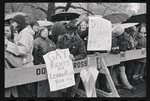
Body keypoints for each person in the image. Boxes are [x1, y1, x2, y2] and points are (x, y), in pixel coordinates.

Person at [5, 15, 39, 97]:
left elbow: (23, 50)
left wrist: (8, 44)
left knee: (25, 92)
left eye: (13, 22)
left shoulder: (25, 35)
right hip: (24, 65)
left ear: (18, 23)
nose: (12, 24)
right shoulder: (22, 33)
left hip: (25, 66)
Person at [56, 21, 87, 97]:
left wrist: (74, 57)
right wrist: (57, 50)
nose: (68, 35)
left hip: (73, 65)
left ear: (74, 33)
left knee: (71, 84)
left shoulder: (79, 41)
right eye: (67, 33)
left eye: (70, 34)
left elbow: (83, 54)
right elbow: (58, 46)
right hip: (63, 65)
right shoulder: (62, 38)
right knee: (62, 85)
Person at [33, 26, 61, 97]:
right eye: (44, 31)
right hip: (41, 65)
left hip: (51, 66)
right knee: (42, 85)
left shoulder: (50, 41)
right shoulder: (36, 41)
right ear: (40, 32)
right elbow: (35, 54)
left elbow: (54, 48)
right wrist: (38, 64)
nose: (46, 33)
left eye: (47, 31)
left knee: (51, 84)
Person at [111, 26, 136, 91]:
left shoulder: (114, 40)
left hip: (115, 58)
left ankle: (114, 83)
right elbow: (123, 49)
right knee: (122, 70)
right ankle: (127, 85)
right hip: (120, 58)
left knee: (114, 70)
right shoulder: (121, 40)